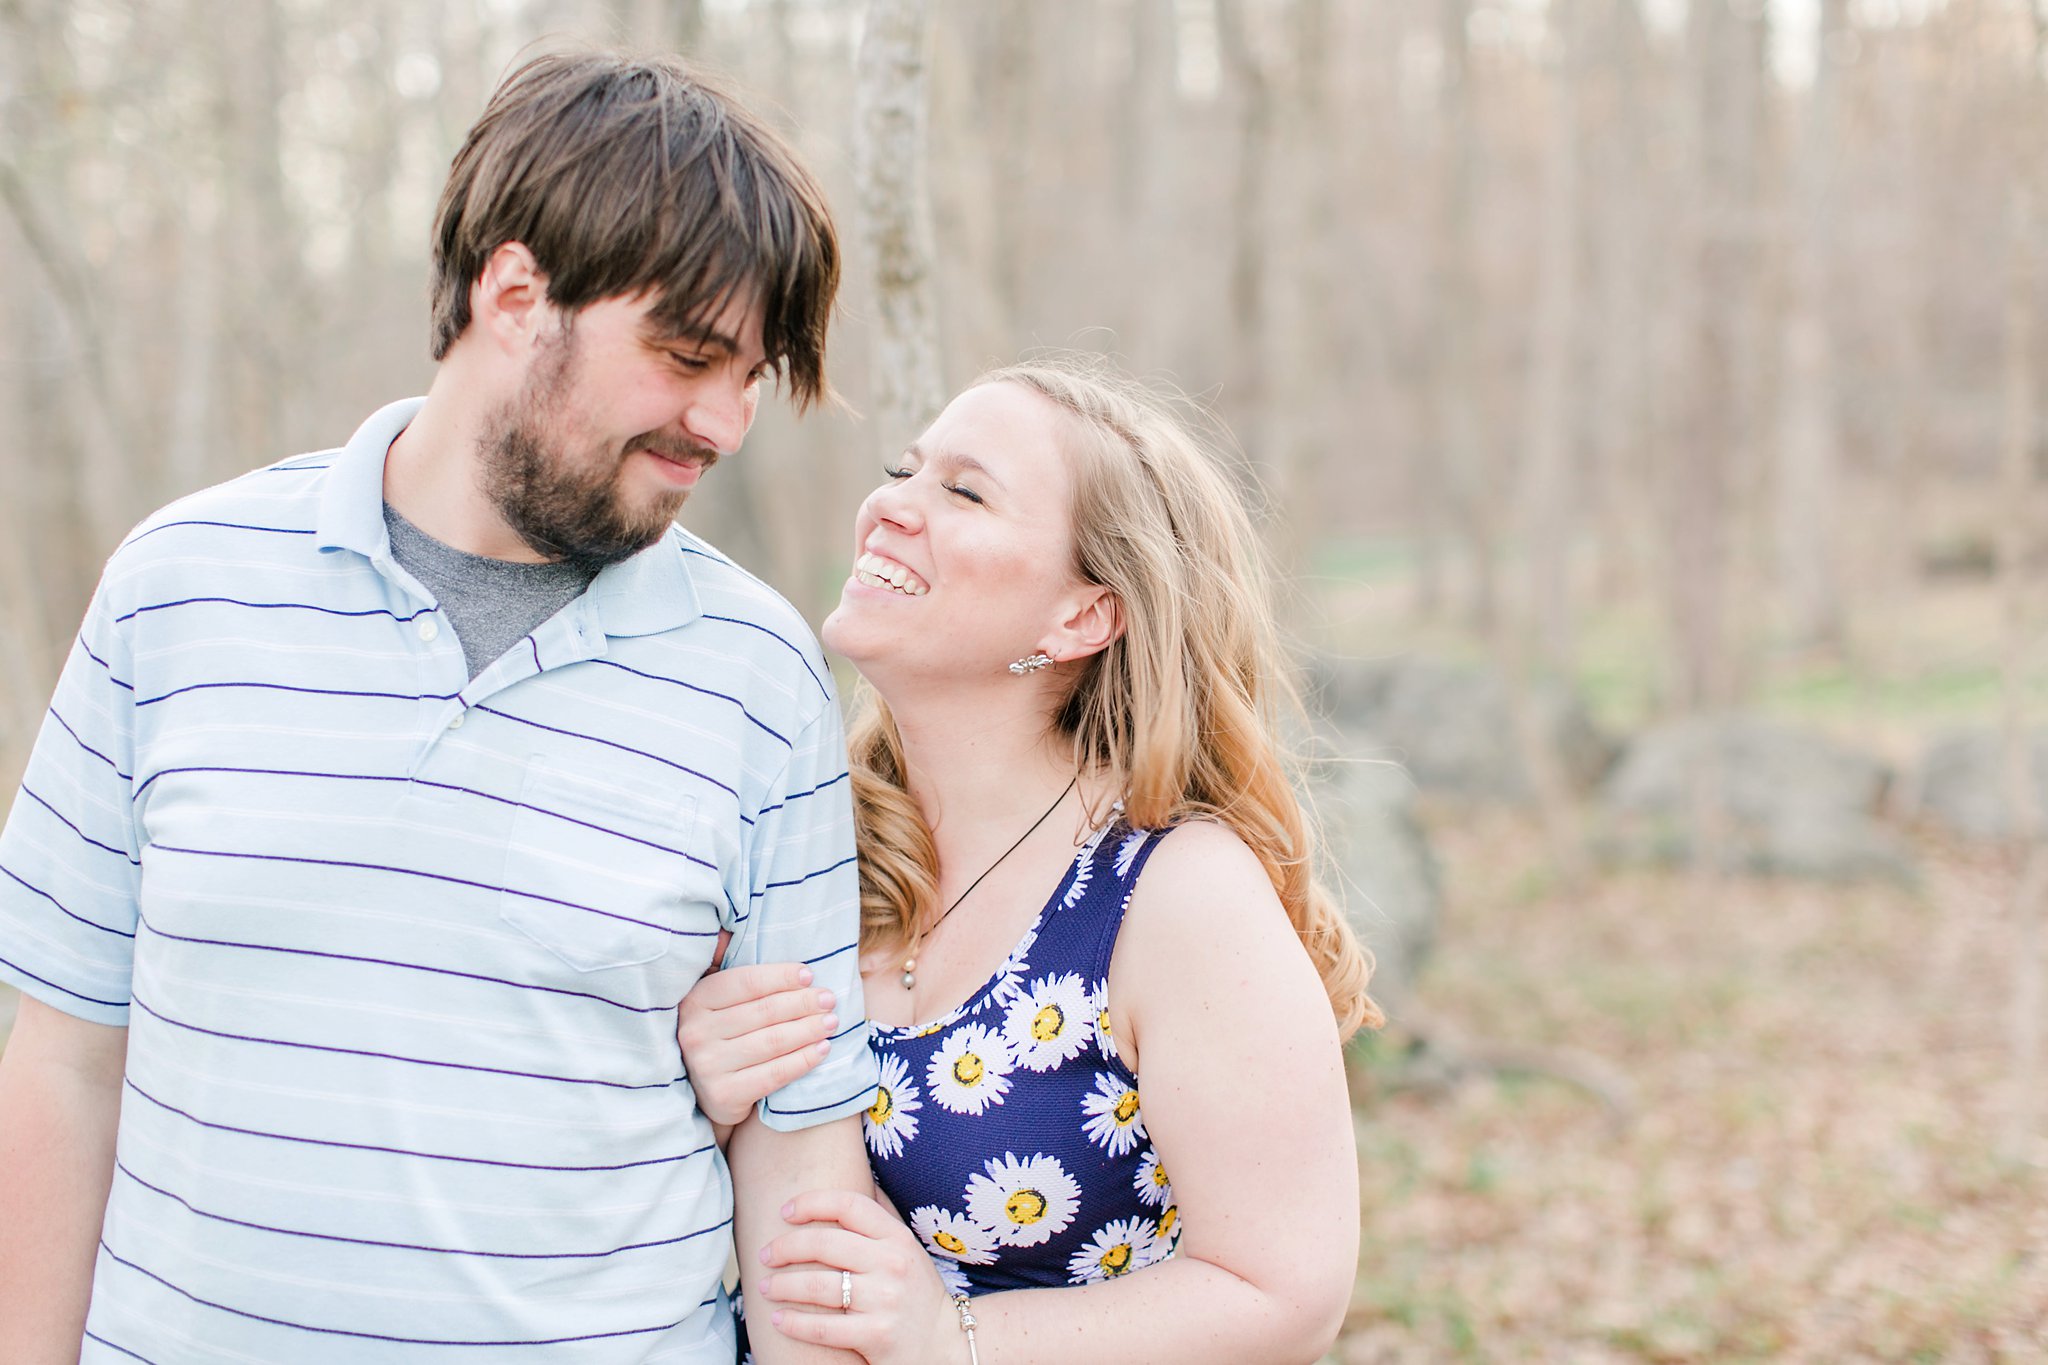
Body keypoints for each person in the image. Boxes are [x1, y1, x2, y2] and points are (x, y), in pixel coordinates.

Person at [0, 51, 878, 1364]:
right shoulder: (177, 587)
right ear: (516, 293)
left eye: (752, 374)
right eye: (690, 356)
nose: (726, 421)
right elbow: (66, 1064)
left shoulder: (758, 676)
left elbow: (802, 1161)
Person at [680, 358, 1383, 1365]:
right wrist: (690, 1096)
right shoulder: (800, 847)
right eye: (903, 469)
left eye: (962, 491)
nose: (889, 505)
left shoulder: (1169, 896)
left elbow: (1284, 1290)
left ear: (1081, 617)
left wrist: (952, 1337)